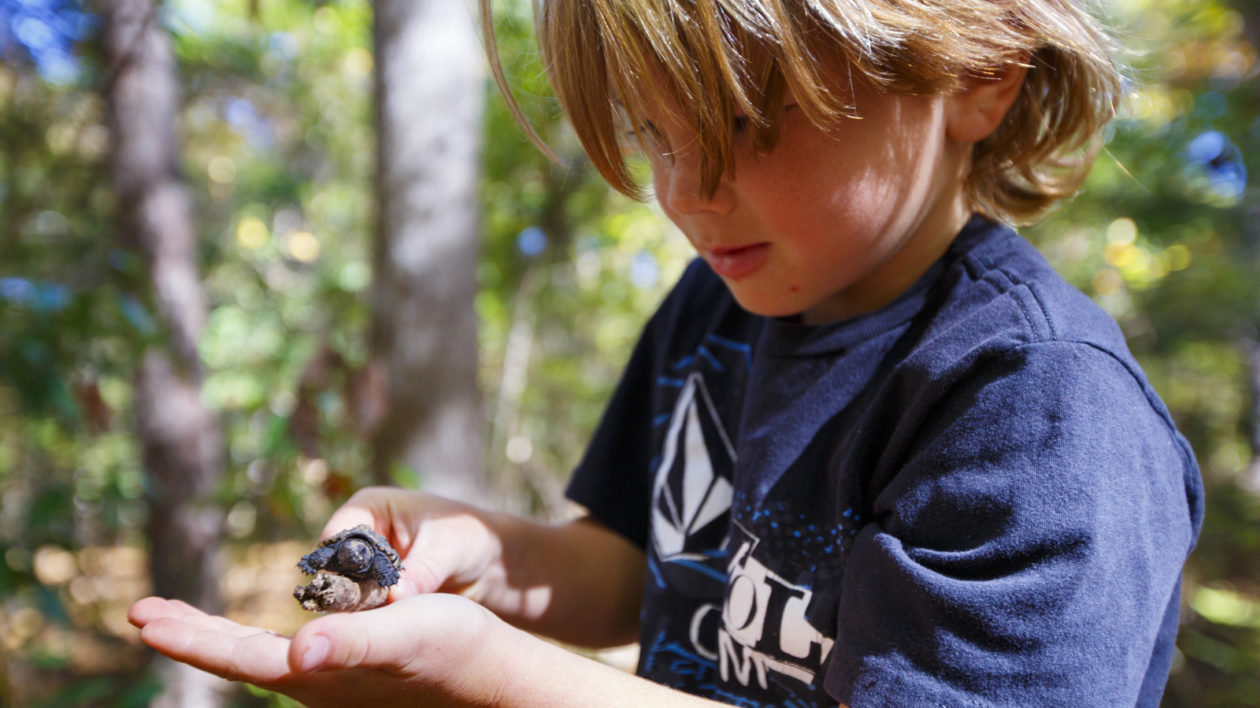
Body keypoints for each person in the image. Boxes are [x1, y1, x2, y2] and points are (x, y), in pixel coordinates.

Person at [128, 0, 1205, 705]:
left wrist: (497, 680)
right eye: (652, 133)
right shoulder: (718, 304)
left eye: (744, 124)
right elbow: (636, 571)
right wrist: (482, 555)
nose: (684, 196)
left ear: (983, 71)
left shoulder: (1037, 405)